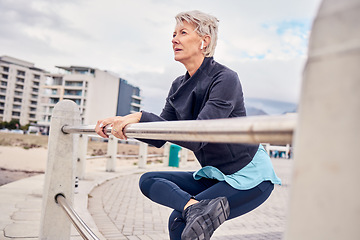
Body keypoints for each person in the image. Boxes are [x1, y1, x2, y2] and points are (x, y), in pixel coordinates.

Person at [95, 10, 281, 240]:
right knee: (149, 181)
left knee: (180, 221)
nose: (174, 39)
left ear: (205, 41)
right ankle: (193, 208)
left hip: (249, 178)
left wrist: (140, 116)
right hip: (215, 174)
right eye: (174, 33)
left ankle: (192, 210)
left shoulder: (225, 78)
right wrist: (122, 122)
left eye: (183, 33)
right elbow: (159, 134)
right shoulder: (177, 85)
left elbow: (199, 135)